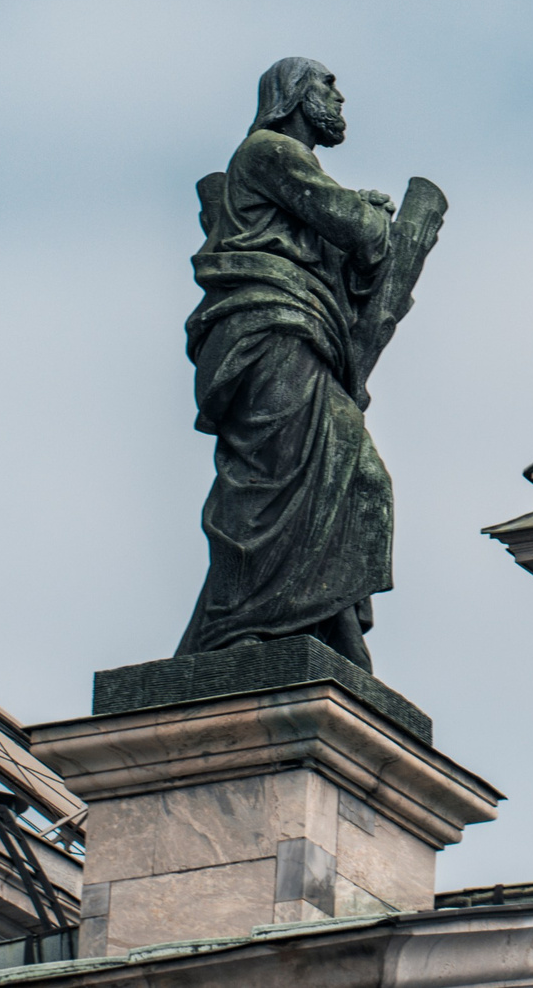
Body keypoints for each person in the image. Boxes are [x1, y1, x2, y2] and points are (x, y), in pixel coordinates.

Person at [176, 58, 407, 669]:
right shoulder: (269, 151)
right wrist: (373, 215)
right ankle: (240, 624)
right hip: (269, 329)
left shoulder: (283, 166)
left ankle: (319, 620)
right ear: (297, 96)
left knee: (344, 476)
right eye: (329, 86)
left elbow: (347, 266)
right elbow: (356, 229)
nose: (340, 98)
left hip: (300, 330)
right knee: (281, 476)